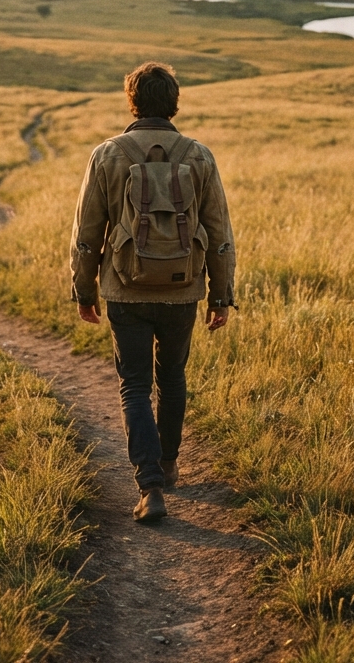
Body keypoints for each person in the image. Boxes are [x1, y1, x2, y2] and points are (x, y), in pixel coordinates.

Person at [69, 61, 236, 522]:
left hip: (125, 289)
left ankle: (150, 487)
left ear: (133, 102)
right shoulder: (199, 155)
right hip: (184, 290)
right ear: (174, 103)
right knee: (174, 379)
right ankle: (167, 462)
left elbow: (87, 231)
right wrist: (221, 296)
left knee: (135, 385)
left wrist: (84, 290)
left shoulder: (108, 154)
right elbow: (219, 232)